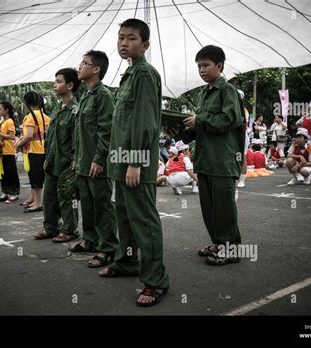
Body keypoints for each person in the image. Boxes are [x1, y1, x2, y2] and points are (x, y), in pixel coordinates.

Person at [100, 18, 169, 307]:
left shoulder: (144, 74)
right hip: (121, 162)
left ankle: (156, 281)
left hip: (134, 162)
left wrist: (135, 161)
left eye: (130, 38)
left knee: (143, 219)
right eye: (120, 38)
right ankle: (127, 263)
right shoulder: (129, 75)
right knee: (124, 217)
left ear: (145, 44)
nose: (124, 43)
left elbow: (145, 122)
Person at [183, 44, 245, 266]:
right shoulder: (203, 93)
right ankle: (219, 243)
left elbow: (230, 120)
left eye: (206, 65)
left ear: (219, 66)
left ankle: (232, 248)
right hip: (205, 159)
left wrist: (200, 120)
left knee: (224, 207)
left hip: (222, 160)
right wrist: (190, 128)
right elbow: (205, 124)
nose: (201, 70)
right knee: (209, 207)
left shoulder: (227, 91)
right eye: (199, 66)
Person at [67, 50, 120, 269]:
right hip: (83, 163)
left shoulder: (103, 95)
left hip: (98, 163)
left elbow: (106, 131)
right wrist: (77, 159)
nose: (79, 67)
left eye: (84, 63)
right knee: (87, 204)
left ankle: (107, 247)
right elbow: (81, 134)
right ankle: (90, 240)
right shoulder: (85, 96)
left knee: (103, 206)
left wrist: (99, 159)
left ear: (96, 69)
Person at [34, 68, 81, 242]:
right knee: (49, 197)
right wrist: (47, 157)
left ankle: (69, 230)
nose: (55, 85)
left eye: (59, 82)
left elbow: (78, 139)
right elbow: (50, 137)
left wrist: (75, 161)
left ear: (70, 85)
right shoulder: (56, 109)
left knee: (67, 198)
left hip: (67, 163)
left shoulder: (76, 110)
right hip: (53, 161)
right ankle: (51, 228)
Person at [15, 92, 50, 213]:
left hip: (34, 150)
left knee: (35, 177)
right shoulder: (44, 116)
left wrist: (18, 145)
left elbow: (29, 135)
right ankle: (36, 201)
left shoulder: (31, 116)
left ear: (26, 103)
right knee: (38, 176)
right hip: (43, 149)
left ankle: (38, 203)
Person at [0, 102, 20, 203]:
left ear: (6, 110)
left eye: (0, 109)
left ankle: (14, 193)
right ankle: (5, 192)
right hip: (1, 151)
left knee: (10, 172)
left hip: (8, 150)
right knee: (2, 173)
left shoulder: (9, 121)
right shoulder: (1, 122)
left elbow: (12, 137)